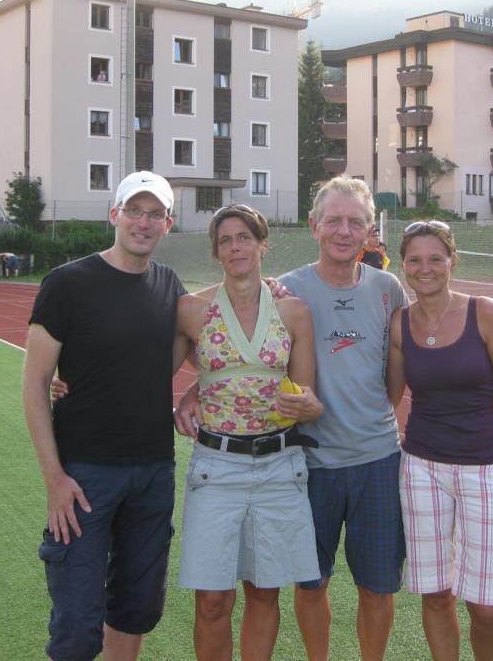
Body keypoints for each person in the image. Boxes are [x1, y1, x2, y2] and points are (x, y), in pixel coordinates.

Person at [184, 177, 409, 661]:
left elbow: (400, 373)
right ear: (313, 226)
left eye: (355, 222)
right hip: (310, 462)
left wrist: (488, 391)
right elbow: (241, 351)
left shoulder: (389, 289)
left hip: (377, 459)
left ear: (370, 229)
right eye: (334, 220)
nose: (344, 231)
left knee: (377, 587)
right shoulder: (284, 289)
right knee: (311, 583)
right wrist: (192, 390)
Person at [22, 170, 189, 661]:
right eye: (134, 210)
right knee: (76, 628)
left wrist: (197, 390)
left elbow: (206, 346)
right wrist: (54, 478)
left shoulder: (170, 285)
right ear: (114, 214)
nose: (143, 222)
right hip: (84, 477)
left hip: (153, 473)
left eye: (154, 213)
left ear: (168, 224)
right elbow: (34, 384)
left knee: (137, 609)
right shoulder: (67, 283)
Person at [175, 203, 324, 661]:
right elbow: (148, 371)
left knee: (264, 592)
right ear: (215, 251)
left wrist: (311, 406)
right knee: (212, 599)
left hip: (280, 467)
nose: (235, 247)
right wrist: (70, 381)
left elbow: (308, 396)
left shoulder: (293, 312)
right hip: (216, 467)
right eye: (225, 240)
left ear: (263, 245)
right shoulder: (192, 310)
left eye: (244, 238)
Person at [386, 221, 493, 661]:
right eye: (415, 260)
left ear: (453, 261)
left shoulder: (484, 313)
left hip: (484, 469)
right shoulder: (399, 323)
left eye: (435, 258)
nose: (425, 268)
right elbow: (389, 397)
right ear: (403, 266)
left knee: (486, 606)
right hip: (421, 469)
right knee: (434, 594)